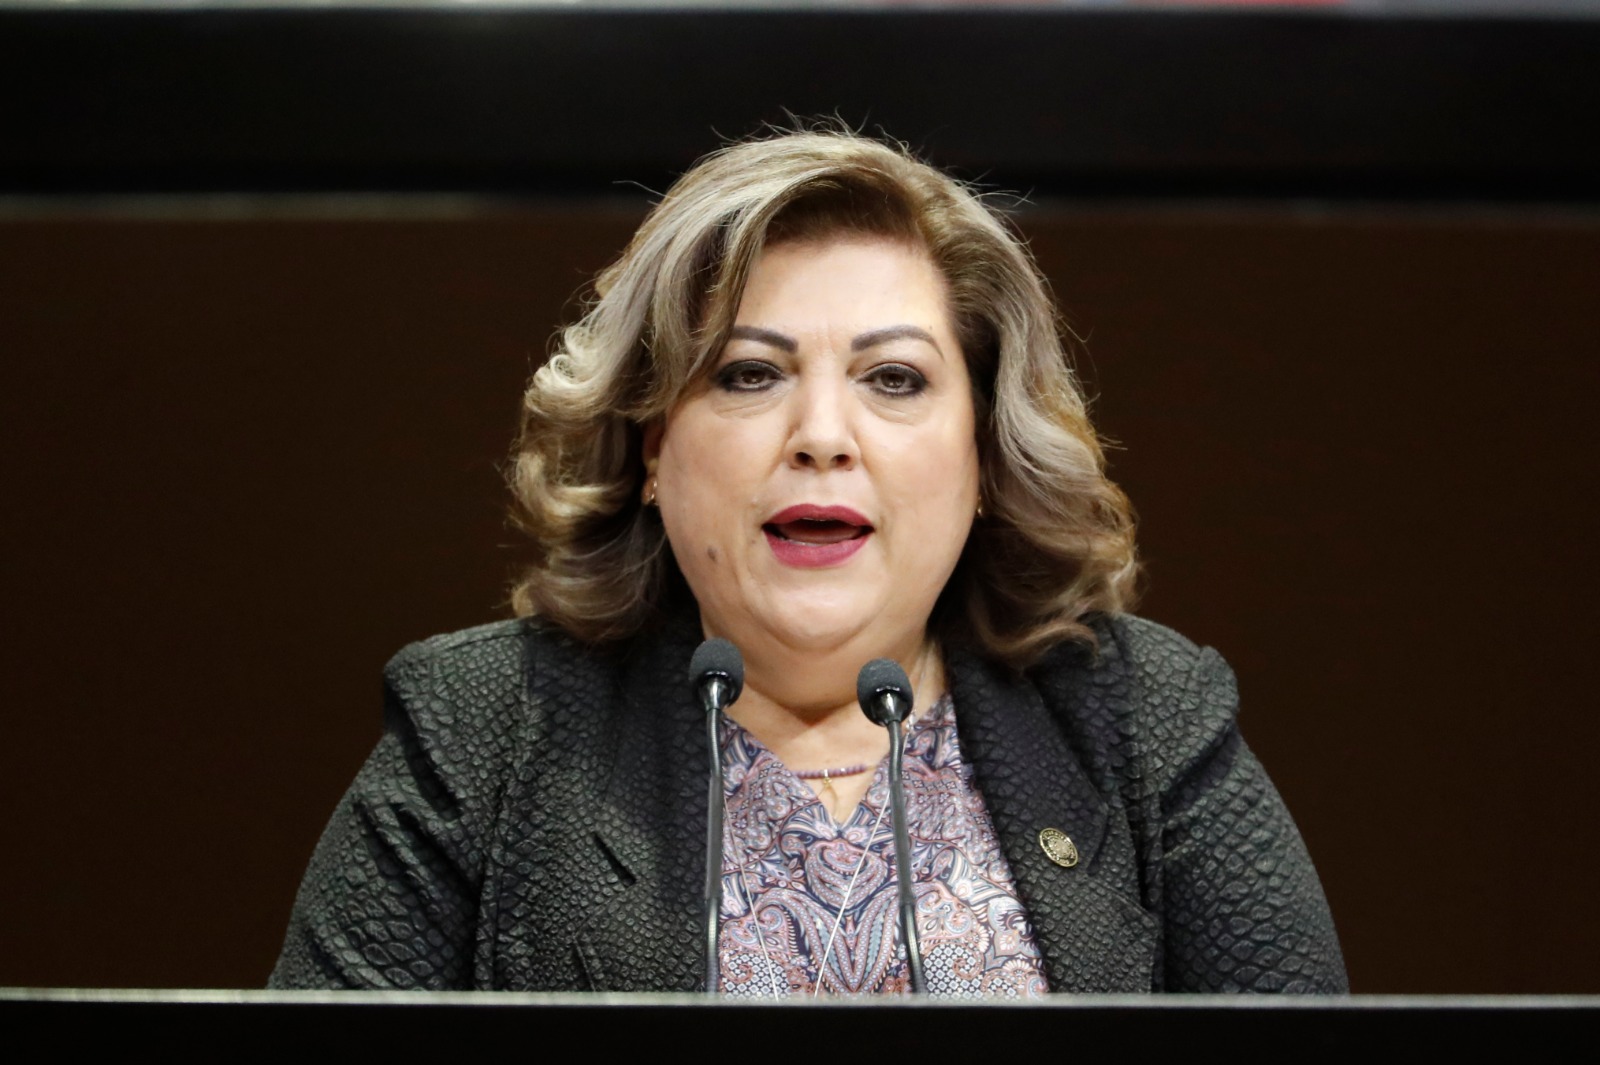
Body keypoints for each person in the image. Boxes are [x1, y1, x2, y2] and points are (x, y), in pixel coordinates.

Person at [269, 129, 1347, 996]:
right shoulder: (485, 730)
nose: (822, 434)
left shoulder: (1143, 718)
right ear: (652, 448)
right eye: (748, 375)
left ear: (982, 456)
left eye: (893, 379)